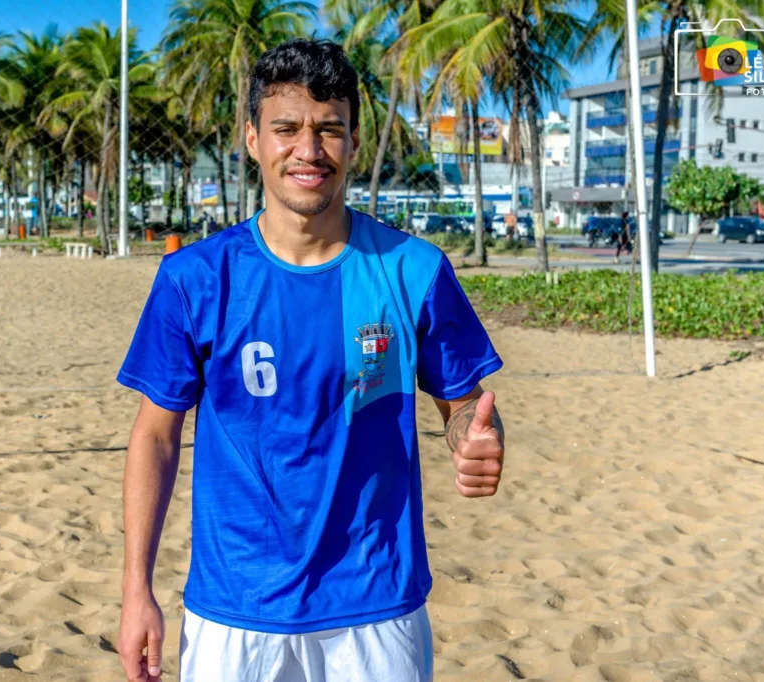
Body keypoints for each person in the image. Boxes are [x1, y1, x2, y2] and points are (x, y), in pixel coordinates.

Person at [116, 39, 505, 682]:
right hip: (235, 610)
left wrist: (475, 439)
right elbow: (155, 436)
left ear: (352, 141)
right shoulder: (195, 278)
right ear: (251, 139)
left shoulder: (413, 270)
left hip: (376, 607)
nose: (308, 150)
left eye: (329, 129)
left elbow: (465, 406)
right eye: (287, 128)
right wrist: (137, 591)